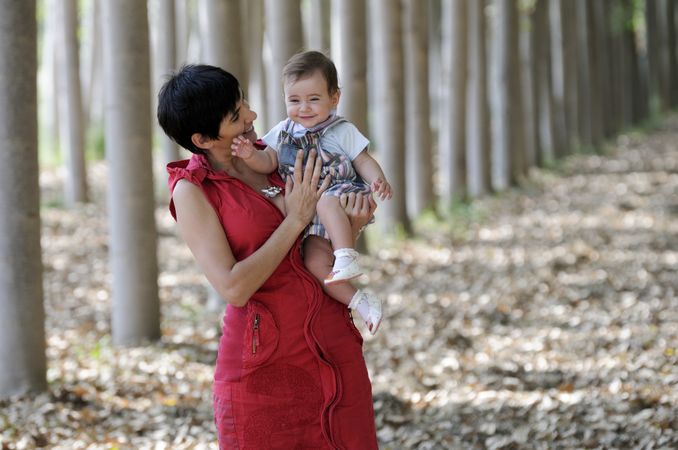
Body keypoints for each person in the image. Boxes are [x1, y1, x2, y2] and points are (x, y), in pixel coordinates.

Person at [157, 64, 379, 449]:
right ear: (203, 138)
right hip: (263, 371)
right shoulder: (192, 192)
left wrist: (352, 227)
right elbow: (233, 286)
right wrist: (294, 218)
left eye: (244, 102)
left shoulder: (278, 153)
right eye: (235, 115)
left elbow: (320, 242)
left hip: (333, 349)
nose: (252, 115)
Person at [232, 50, 391, 335]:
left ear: (334, 98)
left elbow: (362, 159)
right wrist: (248, 155)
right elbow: (268, 160)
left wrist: (378, 180)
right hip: (311, 219)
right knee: (314, 262)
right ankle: (361, 302)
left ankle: (346, 253)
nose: (303, 108)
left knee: (327, 201)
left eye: (313, 99)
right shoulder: (282, 132)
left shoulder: (341, 129)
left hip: (340, 194)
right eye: (294, 100)